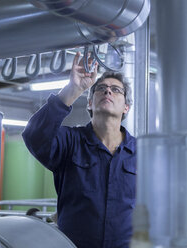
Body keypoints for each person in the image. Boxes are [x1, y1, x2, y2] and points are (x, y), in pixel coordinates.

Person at [22, 51, 136, 248]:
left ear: (126, 106)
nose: (108, 91)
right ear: (90, 103)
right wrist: (73, 89)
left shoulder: (141, 152)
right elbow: (34, 136)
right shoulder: (70, 142)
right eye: (101, 88)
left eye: (116, 90)